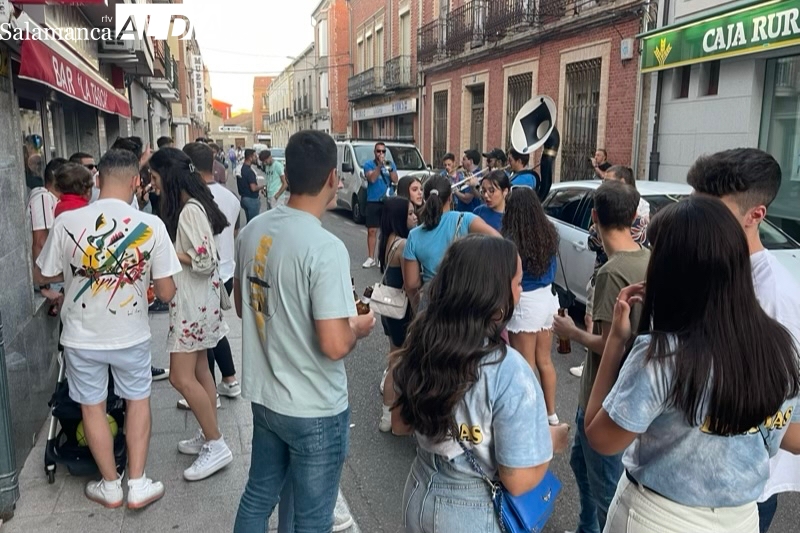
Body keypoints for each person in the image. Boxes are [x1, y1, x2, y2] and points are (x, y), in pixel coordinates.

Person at [585, 196, 800, 533]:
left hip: (657, 517)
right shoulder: (779, 347)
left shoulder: (661, 355)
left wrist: (615, 342)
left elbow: (601, 438)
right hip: (741, 519)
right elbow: (794, 438)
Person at [232, 130, 375, 533]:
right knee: (312, 521)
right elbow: (333, 344)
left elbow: (244, 312)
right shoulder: (324, 246)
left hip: (266, 398)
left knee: (259, 496)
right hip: (314, 408)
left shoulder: (253, 230)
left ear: (286, 174)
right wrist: (359, 328)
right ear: (333, 177)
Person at [34, 148, 181, 509]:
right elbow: (166, 291)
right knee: (137, 401)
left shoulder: (68, 223)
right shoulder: (152, 227)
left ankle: (111, 486)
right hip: (131, 334)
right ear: (136, 181)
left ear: (97, 179)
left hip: (81, 336)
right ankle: (139, 482)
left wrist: (76, 273)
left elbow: (43, 272)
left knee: (92, 407)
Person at [392, 235, 569, 532]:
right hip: (471, 509)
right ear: (496, 299)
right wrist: (551, 441)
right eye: (518, 283)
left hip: (419, 491)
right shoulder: (508, 371)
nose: (521, 290)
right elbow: (516, 479)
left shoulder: (422, 345)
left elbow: (399, 423)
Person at [687, 148, 800, 532]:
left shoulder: (776, 296)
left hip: (741, 489)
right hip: (686, 473)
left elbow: (781, 409)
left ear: (756, 216)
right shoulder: (706, 266)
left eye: (713, 213)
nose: (698, 223)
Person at [551, 180, 650, 533]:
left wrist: (572, 332)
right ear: (635, 215)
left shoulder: (612, 273)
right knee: (581, 463)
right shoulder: (648, 259)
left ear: (594, 217)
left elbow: (611, 344)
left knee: (607, 491)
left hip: (604, 395)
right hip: (630, 393)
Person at [148, 147, 234, 482]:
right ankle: (207, 432)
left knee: (179, 377)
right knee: (199, 372)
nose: (152, 185)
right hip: (200, 304)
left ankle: (216, 442)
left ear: (168, 176)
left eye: (154, 178)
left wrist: (165, 251)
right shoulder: (193, 207)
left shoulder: (189, 211)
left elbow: (203, 260)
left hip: (193, 307)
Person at [182, 142, 243, 403]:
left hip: (206, 274)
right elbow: (236, 231)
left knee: (205, 334)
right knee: (215, 329)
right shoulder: (230, 197)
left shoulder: (194, 200)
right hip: (226, 270)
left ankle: (208, 394)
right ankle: (228, 380)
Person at [502, 186, 561, 425]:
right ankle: (551, 413)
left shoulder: (511, 238)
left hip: (526, 302)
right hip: (548, 299)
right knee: (544, 360)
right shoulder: (549, 232)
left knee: (524, 363)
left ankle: (528, 416)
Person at [402, 175, 499, 311]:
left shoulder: (414, 235)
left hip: (431, 300)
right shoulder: (466, 219)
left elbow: (412, 284)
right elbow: (499, 242)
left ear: (426, 198)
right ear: (450, 197)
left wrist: (417, 307)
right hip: (464, 297)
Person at [377, 196, 417, 433]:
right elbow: (410, 284)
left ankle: (387, 415)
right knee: (399, 364)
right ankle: (395, 416)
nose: (415, 216)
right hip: (402, 311)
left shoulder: (387, 240)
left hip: (389, 309)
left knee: (394, 359)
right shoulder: (403, 245)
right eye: (410, 213)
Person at [362, 142, 398, 268]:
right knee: (372, 230)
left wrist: (390, 169)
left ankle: (382, 257)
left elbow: (395, 180)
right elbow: (371, 179)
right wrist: (379, 166)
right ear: (374, 152)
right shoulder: (368, 165)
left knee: (387, 231)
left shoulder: (390, 164)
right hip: (373, 200)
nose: (381, 154)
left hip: (387, 200)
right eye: (378, 151)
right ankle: (371, 257)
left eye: (383, 151)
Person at [237, 149, 263, 223]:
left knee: (249, 223)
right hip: (251, 199)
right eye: (255, 156)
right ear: (250, 157)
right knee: (253, 224)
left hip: (244, 198)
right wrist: (263, 186)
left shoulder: (241, 169)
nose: (256, 158)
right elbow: (253, 188)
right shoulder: (249, 172)